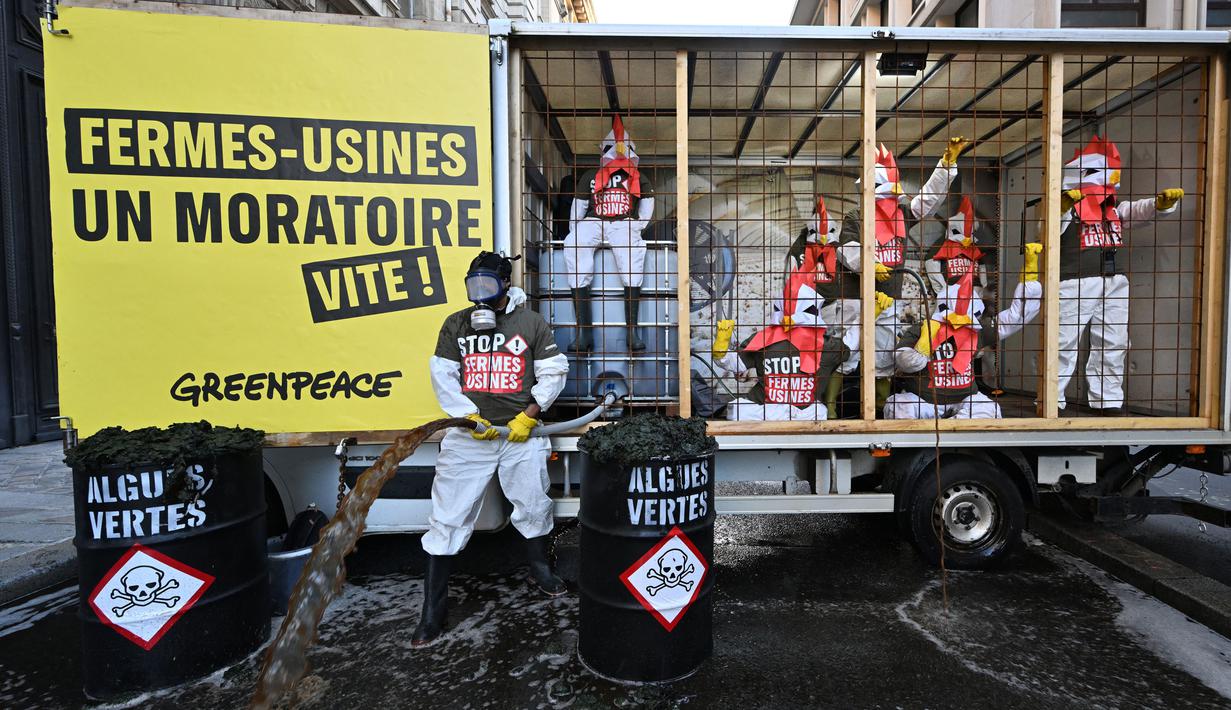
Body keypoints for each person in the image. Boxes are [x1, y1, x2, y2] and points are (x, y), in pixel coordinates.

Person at [417, 251, 570, 646]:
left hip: (521, 436)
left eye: (488, 285)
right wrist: (469, 417)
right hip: (470, 437)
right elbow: (443, 376)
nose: (480, 294)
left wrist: (530, 415)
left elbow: (553, 372)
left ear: (505, 285)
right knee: (447, 517)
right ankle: (432, 613)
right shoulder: (456, 324)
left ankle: (542, 570)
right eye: (474, 286)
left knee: (534, 504)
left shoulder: (530, 322)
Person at [832, 137, 968, 410]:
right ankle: (832, 406)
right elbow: (846, 248)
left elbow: (929, 200)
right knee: (846, 355)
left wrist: (946, 164)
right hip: (856, 301)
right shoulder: (855, 218)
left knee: (883, 359)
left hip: (890, 299)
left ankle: (876, 411)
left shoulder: (902, 215)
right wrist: (871, 265)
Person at [1054, 135, 1183, 415]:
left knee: (1113, 341)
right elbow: (1049, 227)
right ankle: (1052, 399)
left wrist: (1160, 205)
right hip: (1076, 281)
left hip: (1113, 282)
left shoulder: (1112, 209)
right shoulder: (1067, 209)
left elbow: (1137, 211)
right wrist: (1062, 207)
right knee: (1062, 341)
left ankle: (1107, 400)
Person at [885, 243, 1042, 419]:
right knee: (896, 406)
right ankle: (940, 432)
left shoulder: (977, 331)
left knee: (988, 409)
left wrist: (1029, 278)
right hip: (924, 400)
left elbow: (1015, 318)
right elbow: (901, 360)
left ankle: (951, 428)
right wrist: (922, 347)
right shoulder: (922, 328)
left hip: (964, 399)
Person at [710, 268, 876, 421]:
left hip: (770, 414)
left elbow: (733, 363)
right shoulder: (827, 345)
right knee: (817, 412)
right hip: (803, 415)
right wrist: (869, 317)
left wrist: (721, 351)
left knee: (738, 410)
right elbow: (852, 344)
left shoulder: (763, 339)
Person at [564, 115, 655, 352]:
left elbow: (648, 201)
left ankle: (631, 331)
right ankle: (583, 332)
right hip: (595, 220)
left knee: (633, 254)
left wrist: (638, 225)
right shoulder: (592, 176)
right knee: (574, 245)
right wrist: (577, 231)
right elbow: (579, 206)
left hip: (623, 222)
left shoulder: (637, 175)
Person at [926, 195, 992, 300]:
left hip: (974, 290)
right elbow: (931, 264)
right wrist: (943, 290)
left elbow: (981, 266)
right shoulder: (942, 245)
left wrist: (982, 286)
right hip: (953, 291)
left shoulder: (974, 247)